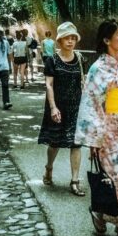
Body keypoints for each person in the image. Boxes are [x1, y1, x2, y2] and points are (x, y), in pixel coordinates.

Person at [76, 19, 118, 236]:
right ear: (107, 40)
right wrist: (94, 140)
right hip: (107, 130)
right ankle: (106, 216)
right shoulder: (97, 69)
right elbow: (91, 104)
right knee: (116, 178)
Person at [38, 21, 85, 196]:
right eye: (67, 38)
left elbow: (83, 82)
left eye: (73, 38)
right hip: (57, 106)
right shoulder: (52, 60)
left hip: (76, 107)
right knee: (54, 143)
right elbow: (49, 85)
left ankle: (75, 180)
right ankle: (49, 168)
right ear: (59, 41)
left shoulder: (80, 59)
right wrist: (53, 108)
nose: (70, 41)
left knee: (76, 143)